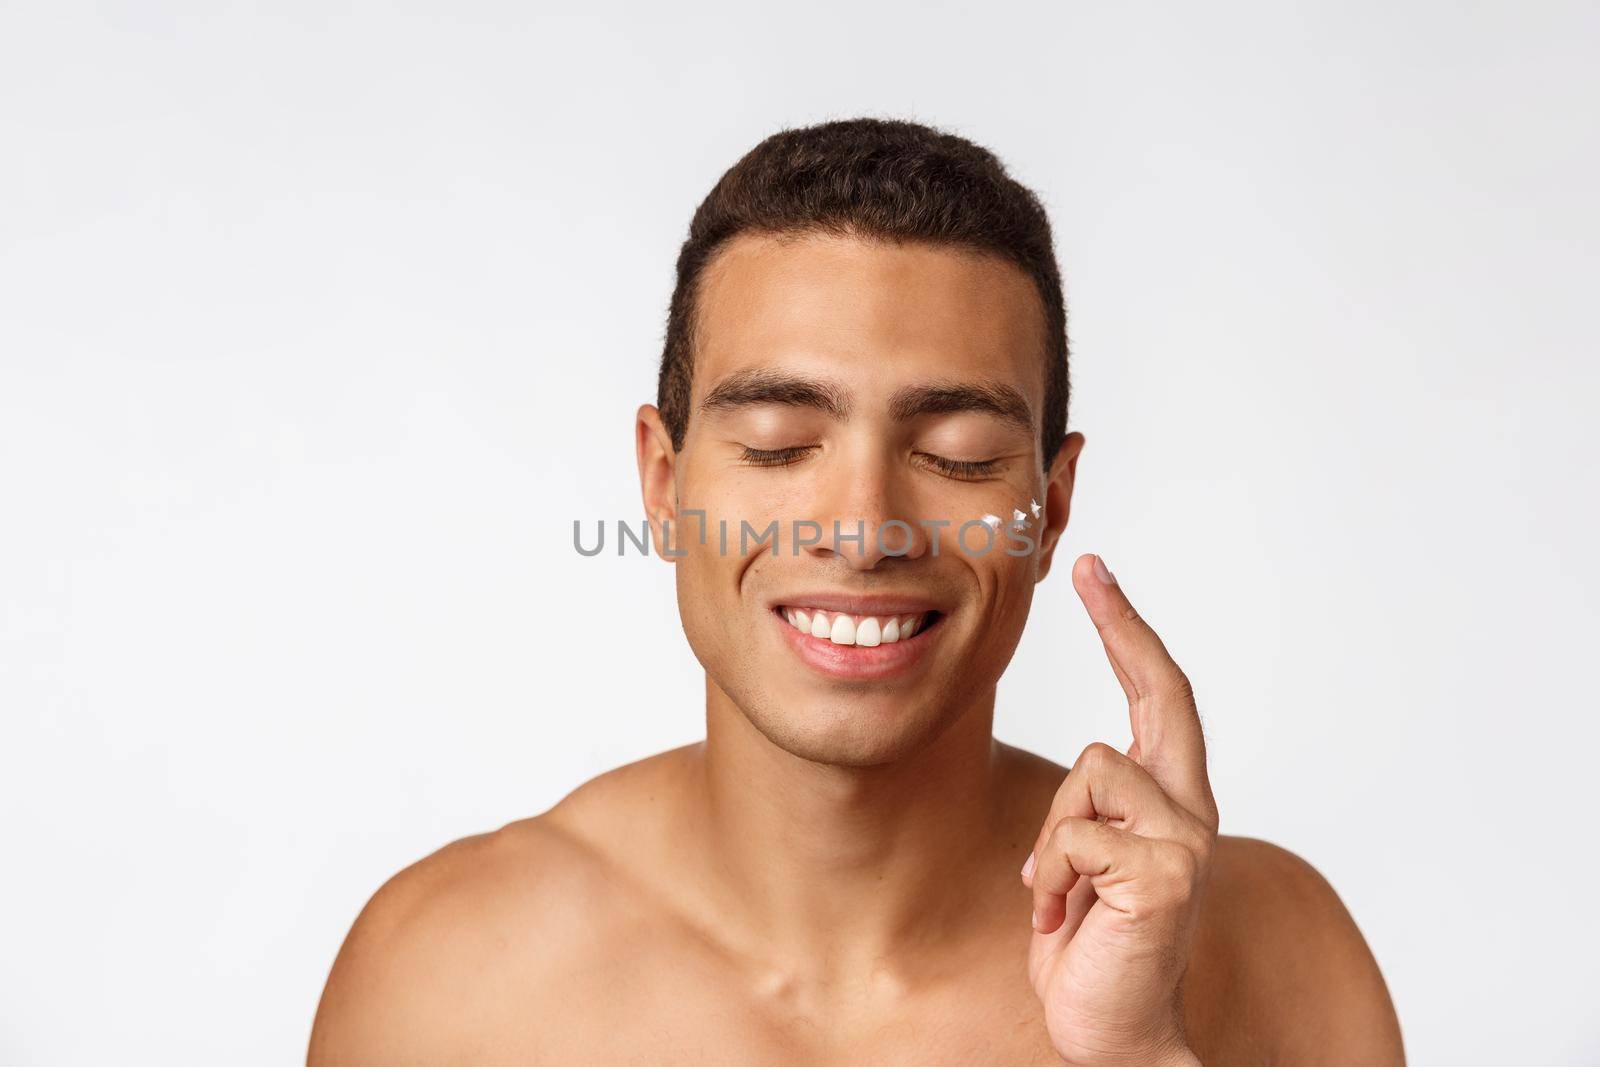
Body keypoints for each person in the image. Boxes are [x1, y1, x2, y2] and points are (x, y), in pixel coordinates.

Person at [308, 118, 1404, 1064]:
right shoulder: (444, 975)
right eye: (782, 443)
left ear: (1050, 504)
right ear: (662, 480)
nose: (863, 525)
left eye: (962, 451)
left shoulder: (1270, 945)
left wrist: (1136, 1049)